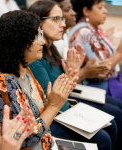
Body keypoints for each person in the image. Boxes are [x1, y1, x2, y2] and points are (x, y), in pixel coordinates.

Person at [28, 1, 122, 150]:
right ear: (38, 22)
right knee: (104, 135)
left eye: (62, 19)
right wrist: (76, 74)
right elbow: (50, 99)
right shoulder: (37, 56)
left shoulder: (52, 49)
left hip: (64, 106)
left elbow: (63, 89)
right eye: (56, 19)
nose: (63, 25)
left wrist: (72, 74)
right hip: (52, 114)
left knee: (112, 122)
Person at [0, 10, 78, 150]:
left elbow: (35, 115)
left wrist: (55, 98)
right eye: (38, 36)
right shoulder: (2, 84)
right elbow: (27, 140)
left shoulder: (23, 68)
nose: (43, 42)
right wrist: (53, 106)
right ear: (19, 41)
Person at [69, 0, 122, 101]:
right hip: (98, 88)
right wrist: (120, 52)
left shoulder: (95, 29)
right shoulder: (84, 33)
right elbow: (101, 69)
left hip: (107, 84)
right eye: (100, 7)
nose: (105, 11)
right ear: (86, 11)